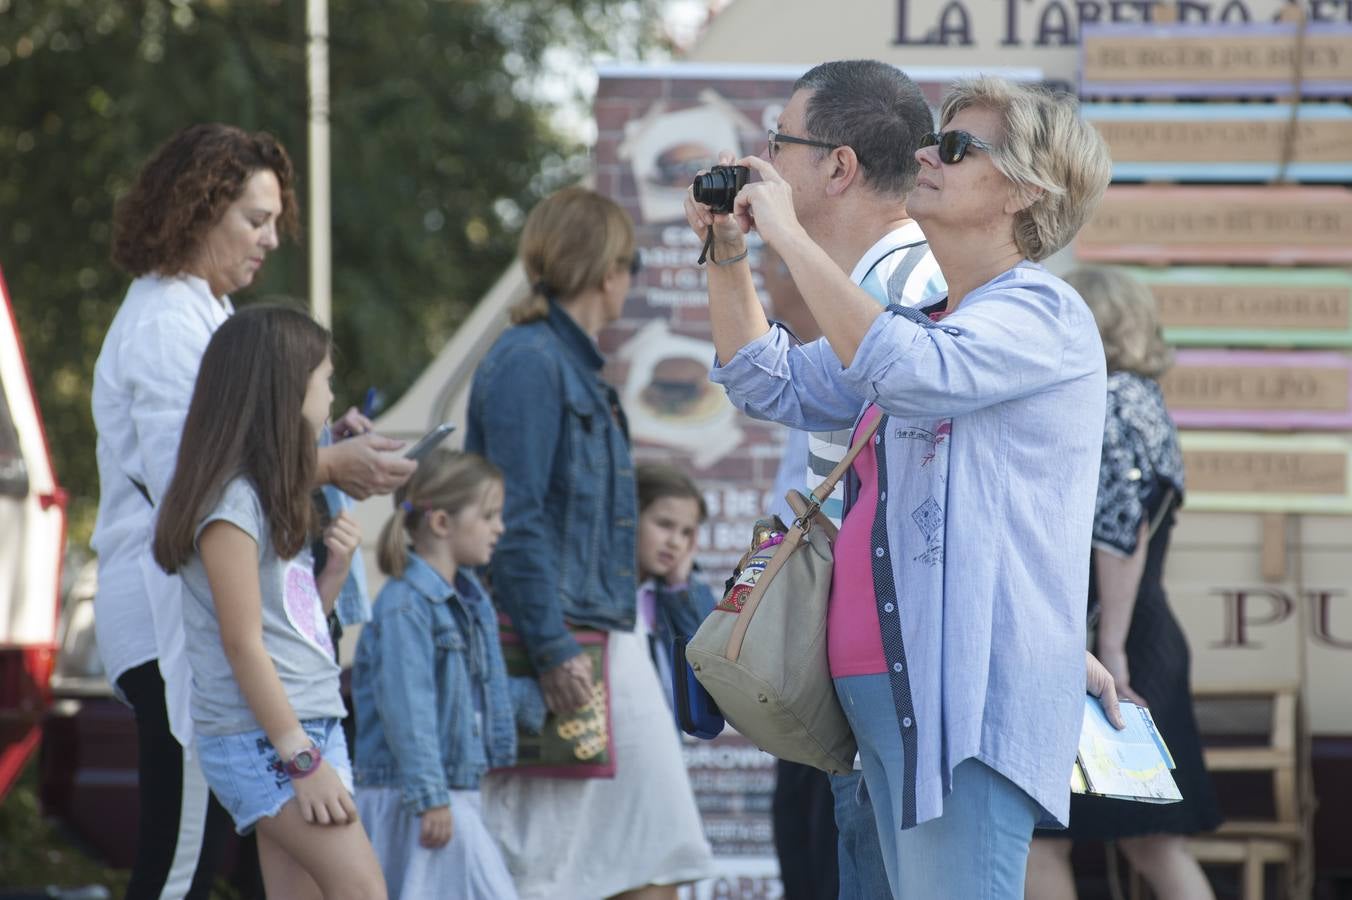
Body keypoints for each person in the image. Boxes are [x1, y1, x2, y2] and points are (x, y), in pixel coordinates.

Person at [687, 74, 1116, 898]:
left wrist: (788, 234)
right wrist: (730, 252)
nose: (926, 153)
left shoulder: (1042, 314)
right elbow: (767, 381)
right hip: (879, 685)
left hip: (960, 693)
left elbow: (913, 375)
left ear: (1027, 188)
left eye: (955, 147)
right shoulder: (925, 316)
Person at [91, 122, 414, 900]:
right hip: (186, 641)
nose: (271, 239)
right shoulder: (169, 322)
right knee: (180, 871)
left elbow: (236, 452)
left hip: (220, 649)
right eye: (255, 219)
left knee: (234, 872)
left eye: (274, 221)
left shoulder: (204, 311)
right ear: (199, 208)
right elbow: (200, 489)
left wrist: (322, 439)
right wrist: (331, 462)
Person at [466, 186, 715, 900]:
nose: (631, 279)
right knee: (548, 872)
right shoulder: (529, 363)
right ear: (606, 268)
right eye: (629, 263)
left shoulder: (569, 366)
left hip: (602, 638)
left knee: (653, 861)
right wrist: (550, 649)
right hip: (563, 645)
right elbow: (515, 519)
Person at [745, 60, 949, 900]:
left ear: (838, 166)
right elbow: (770, 384)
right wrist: (730, 251)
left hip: (902, 667)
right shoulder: (871, 282)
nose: (767, 162)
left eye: (780, 143)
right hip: (869, 659)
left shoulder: (915, 282)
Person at [151, 306, 385, 900]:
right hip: (273, 739)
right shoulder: (232, 504)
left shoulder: (264, 496)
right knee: (363, 891)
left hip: (300, 726)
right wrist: (301, 759)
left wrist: (332, 570)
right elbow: (242, 643)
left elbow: (296, 628)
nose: (332, 394)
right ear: (286, 384)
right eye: (326, 378)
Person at [1025, 267, 1221, 900]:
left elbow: (1119, 528)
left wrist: (1110, 650)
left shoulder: (1105, 400)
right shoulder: (1146, 400)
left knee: (1042, 835)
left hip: (1105, 643)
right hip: (1145, 634)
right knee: (1155, 843)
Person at [353, 448, 545, 900]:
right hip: (415, 796)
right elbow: (409, 708)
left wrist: (541, 697)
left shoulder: (468, 599)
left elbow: (476, 693)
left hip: (449, 790)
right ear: (441, 523)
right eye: (489, 515)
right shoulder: (406, 606)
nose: (499, 527)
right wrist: (430, 796)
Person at [634, 462, 716, 714]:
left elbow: (709, 668)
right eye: (664, 524)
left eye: (686, 533)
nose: (674, 542)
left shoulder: (671, 592)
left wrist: (681, 585)